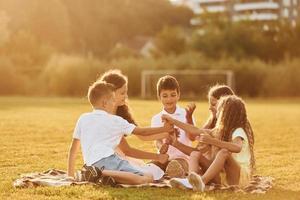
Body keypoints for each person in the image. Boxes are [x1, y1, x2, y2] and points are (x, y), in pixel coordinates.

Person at [67, 81, 173, 185]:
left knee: (129, 174)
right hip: (109, 161)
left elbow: (73, 150)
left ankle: (102, 175)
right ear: (104, 103)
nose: (114, 104)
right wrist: (164, 128)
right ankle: (101, 174)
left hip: (90, 163)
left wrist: (70, 176)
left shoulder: (83, 118)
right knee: (148, 177)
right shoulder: (115, 120)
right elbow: (143, 132)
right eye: (113, 100)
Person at [163, 95, 255, 191]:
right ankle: (191, 182)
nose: (217, 111)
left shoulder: (238, 131)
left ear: (227, 114)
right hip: (222, 175)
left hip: (239, 177)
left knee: (224, 152)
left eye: (219, 109)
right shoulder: (219, 130)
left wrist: (212, 141)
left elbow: (237, 147)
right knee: (195, 154)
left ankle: (201, 181)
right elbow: (195, 130)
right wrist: (173, 121)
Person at [98, 70, 169, 168]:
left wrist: (166, 134)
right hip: (108, 157)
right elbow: (127, 150)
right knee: (145, 171)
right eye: (122, 93)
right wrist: (158, 156)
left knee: (144, 168)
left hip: (119, 155)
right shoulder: (107, 118)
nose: (126, 96)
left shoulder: (121, 112)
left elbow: (142, 135)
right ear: (111, 93)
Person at [151, 75, 196, 177]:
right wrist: (160, 146)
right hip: (163, 158)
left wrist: (189, 118)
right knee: (149, 168)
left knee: (175, 167)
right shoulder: (156, 118)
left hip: (182, 158)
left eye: (173, 95)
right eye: (165, 96)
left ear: (178, 95)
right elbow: (157, 140)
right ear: (159, 97)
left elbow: (192, 138)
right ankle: (166, 174)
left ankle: (171, 174)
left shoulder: (186, 114)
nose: (169, 99)